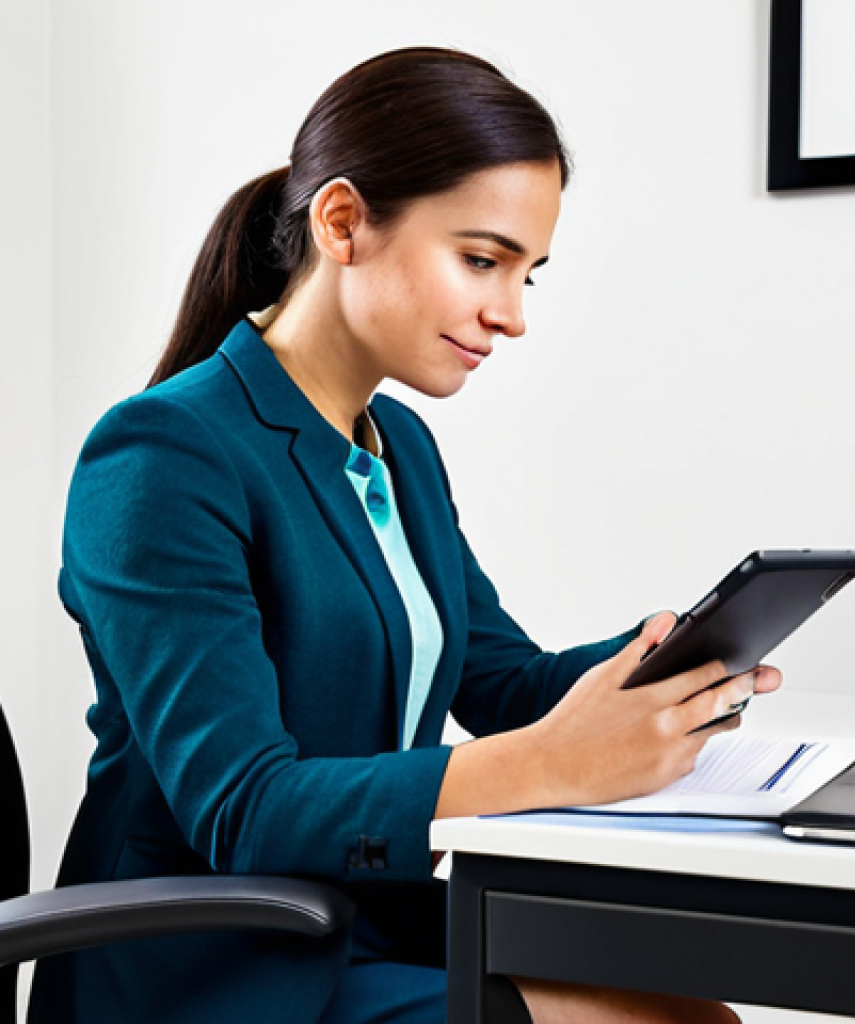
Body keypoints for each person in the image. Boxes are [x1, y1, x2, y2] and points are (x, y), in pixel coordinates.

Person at [29, 47, 781, 1024]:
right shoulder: (164, 455)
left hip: (366, 926)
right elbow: (243, 807)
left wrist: (673, 655)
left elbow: (501, 683)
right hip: (210, 968)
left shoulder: (400, 448)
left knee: (693, 1010)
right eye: (481, 259)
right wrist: (555, 760)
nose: (509, 315)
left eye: (528, 274)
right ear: (342, 222)